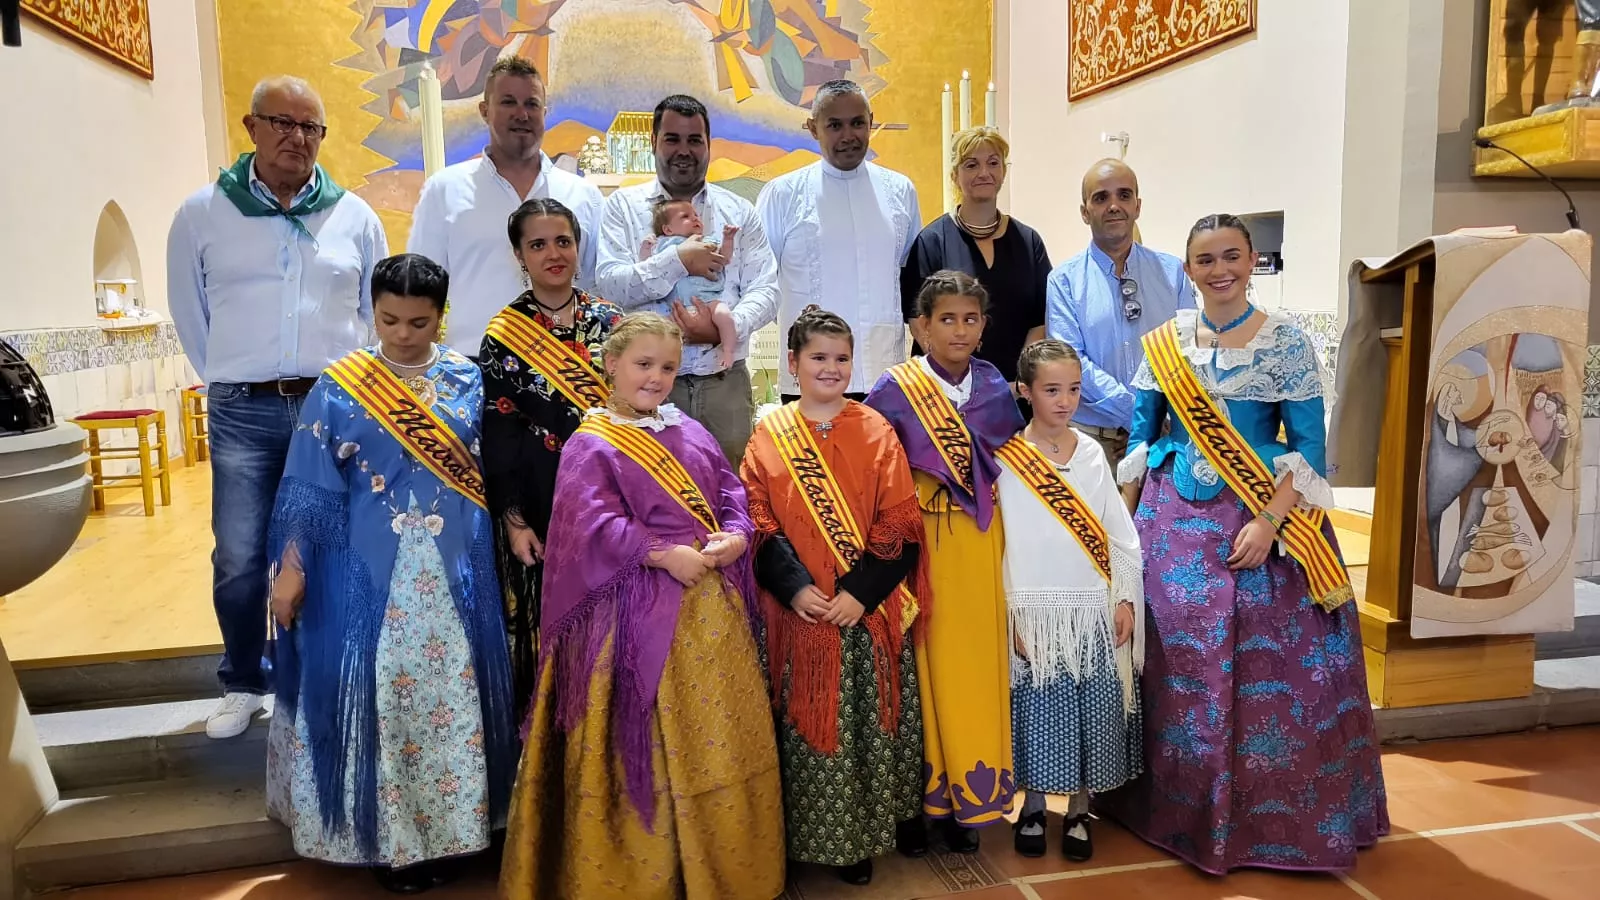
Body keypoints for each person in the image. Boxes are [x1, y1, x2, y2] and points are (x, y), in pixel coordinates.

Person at [1106, 214, 1389, 874]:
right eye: (1204, 260)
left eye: (1231, 256)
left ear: (1253, 260)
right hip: (1172, 522)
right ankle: (1173, 811)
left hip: (1260, 518)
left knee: (1273, 675)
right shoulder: (1164, 343)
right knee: (1172, 666)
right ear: (1188, 270)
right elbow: (1142, 443)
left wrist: (1268, 522)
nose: (1219, 270)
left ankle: (1271, 826)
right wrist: (1121, 538)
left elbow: (1310, 447)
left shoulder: (1287, 343)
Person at [500, 313, 785, 899]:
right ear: (611, 365)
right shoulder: (591, 441)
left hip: (709, 607)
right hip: (630, 607)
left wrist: (734, 533)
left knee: (718, 741)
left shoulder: (690, 429)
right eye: (644, 364)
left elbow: (729, 491)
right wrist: (658, 553)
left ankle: (724, 869)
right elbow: (589, 525)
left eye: (668, 368)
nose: (656, 378)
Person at [264, 254, 516, 894]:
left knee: (450, 696)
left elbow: (495, 466)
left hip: (458, 566)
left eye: (420, 321)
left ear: (442, 316)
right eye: (389, 319)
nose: (404, 334)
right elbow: (306, 488)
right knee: (386, 700)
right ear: (372, 312)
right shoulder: (341, 384)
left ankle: (460, 830)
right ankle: (394, 844)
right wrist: (291, 567)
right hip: (366, 568)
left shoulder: (465, 378)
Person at [168, 75, 389, 741]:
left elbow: (375, 317)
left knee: (336, 548)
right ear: (251, 126)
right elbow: (191, 314)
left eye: (311, 127)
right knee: (238, 556)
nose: (297, 137)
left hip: (332, 408)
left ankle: (329, 674)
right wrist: (238, 377)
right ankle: (243, 679)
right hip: (243, 411)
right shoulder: (202, 213)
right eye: (282, 123)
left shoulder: (354, 215)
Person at [741, 307, 929, 886]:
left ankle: (858, 841)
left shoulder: (875, 431)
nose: (830, 367)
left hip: (863, 613)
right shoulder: (768, 434)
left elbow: (900, 525)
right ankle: (801, 837)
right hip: (798, 616)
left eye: (841, 358)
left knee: (865, 731)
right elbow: (757, 520)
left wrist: (859, 594)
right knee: (801, 731)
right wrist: (796, 590)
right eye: (818, 357)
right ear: (792, 364)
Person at [865, 270, 1023, 854]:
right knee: (917, 667)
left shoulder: (995, 388)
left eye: (971, 319)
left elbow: (1012, 466)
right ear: (921, 326)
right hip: (919, 547)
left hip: (981, 547)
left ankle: (968, 801)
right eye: (946, 319)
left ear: (984, 328)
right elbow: (875, 474)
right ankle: (919, 802)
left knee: (973, 668)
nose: (960, 330)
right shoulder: (894, 389)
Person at [996, 340, 1143, 862]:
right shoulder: (1007, 459)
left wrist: (1124, 599)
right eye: (1052, 390)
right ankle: (1033, 808)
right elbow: (1005, 543)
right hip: (1034, 613)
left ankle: (1079, 810)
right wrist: (1010, 614)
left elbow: (1118, 531)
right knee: (1038, 714)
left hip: (1092, 612)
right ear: (1026, 392)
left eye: (1074, 390)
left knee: (1092, 713)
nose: (1065, 401)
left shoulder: (1091, 453)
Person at [478, 198, 621, 720]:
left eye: (563, 241)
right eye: (538, 244)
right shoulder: (503, 333)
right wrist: (514, 522)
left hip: (609, 497)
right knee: (549, 623)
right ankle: (553, 736)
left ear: (578, 246)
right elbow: (501, 429)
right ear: (520, 254)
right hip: (540, 496)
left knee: (609, 619)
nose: (553, 253)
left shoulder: (611, 323)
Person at [596, 94, 780, 463]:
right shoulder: (623, 208)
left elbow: (767, 288)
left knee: (729, 497)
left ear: (709, 145)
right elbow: (611, 283)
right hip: (649, 387)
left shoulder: (738, 212)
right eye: (672, 139)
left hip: (724, 383)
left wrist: (721, 329)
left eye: (694, 140)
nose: (684, 150)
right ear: (653, 143)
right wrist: (678, 260)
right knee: (652, 498)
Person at [408, 56, 604, 356]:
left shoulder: (583, 196)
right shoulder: (444, 190)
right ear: (485, 111)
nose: (522, 114)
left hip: (566, 368)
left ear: (545, 113)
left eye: (532, 104)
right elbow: (420, 290)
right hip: (475, 364)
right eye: (509, 102)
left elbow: (596, 286)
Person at [760, 79, 921, 402]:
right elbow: (762, 279)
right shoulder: (782, 194)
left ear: (871, 122)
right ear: (813, 128)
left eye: (857, 123)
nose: (848, 136)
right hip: (811, 376)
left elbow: (910, 276)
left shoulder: (900, 191)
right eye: (834, 125)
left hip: (883, 372)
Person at [1044, 159, 1191, 469]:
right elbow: (1071, 362)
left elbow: (1188, 352)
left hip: (1165, 441)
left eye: (1124, 195)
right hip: (1090, 443)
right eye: (1101, 198)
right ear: (1084, 212)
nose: (1114, 205)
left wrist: (1150, 425)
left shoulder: (1172, 272)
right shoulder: (1064, 281)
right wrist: (1138, 416)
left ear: (1137, 206)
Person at [901, 126, 1050, 388]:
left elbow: (1040, 319)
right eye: (971, 165)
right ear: (955, 176)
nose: (984, 172)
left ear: (1003, 172)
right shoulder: (932, 241)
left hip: (1014, 391)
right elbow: (918, 321)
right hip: (945, 390)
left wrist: (1014, 384)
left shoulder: (1029, 242)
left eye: (993, 163)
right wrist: (958, 380)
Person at [642, 198, 739, 371]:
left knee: (724, 316)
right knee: (661, 332)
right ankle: (663, 364)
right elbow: (647, 267)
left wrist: (728, 239)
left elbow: (724, 258)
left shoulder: (706, 241)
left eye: (696, 215)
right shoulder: (663, 245)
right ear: (668, 229)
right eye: (685, 216)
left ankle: (729, 350)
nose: (695, 218)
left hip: (709, 300)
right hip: (675, 306)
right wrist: (646, 249)